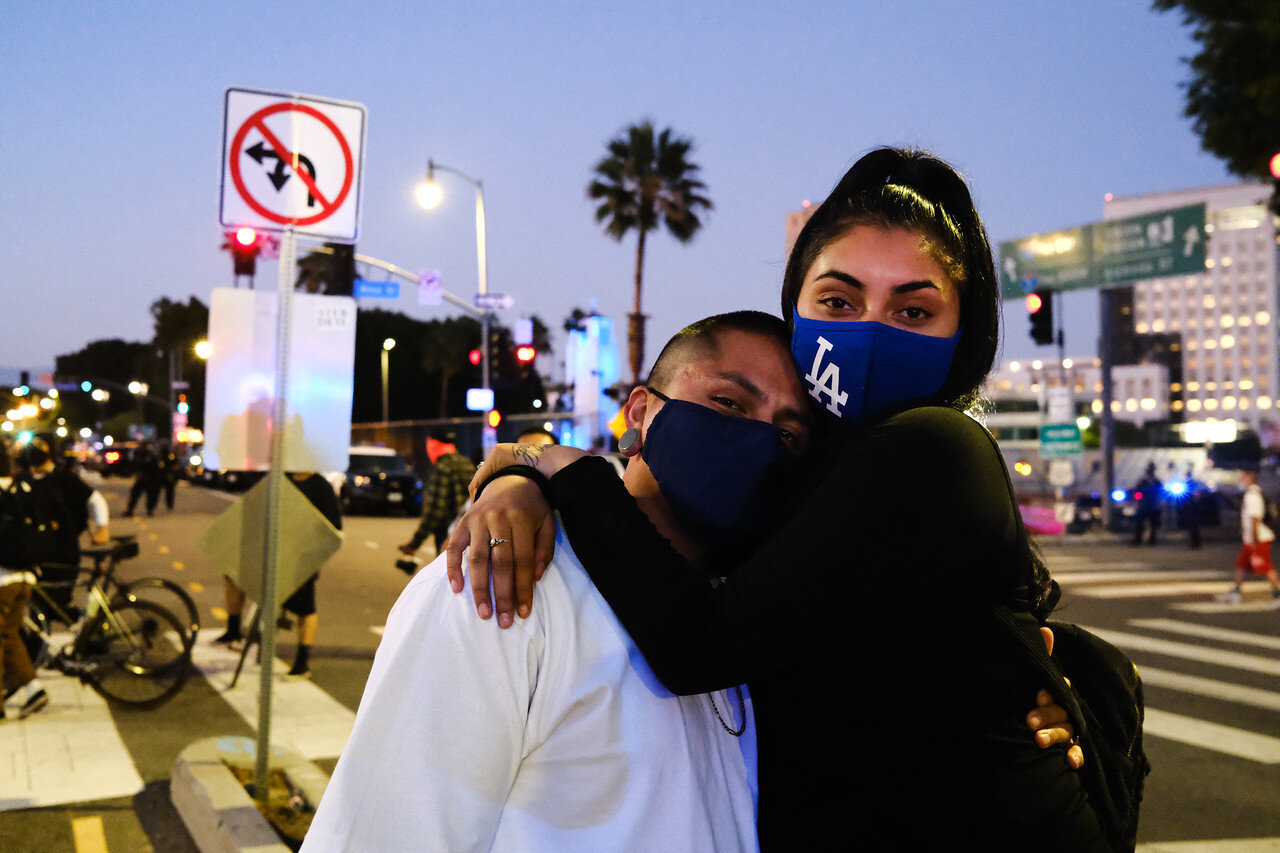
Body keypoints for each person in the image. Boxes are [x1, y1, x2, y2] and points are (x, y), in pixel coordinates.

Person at [450, 148, 1110, 848]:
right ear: (795, 305)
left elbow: (702, 643)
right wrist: (518, 473)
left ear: (962, 335)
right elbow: (677, 533)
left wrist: (556, 463)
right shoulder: (808, 460)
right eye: (839, 300)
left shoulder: (933, 449)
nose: (870, 332)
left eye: (913, 310)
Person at [306, 313, 1074, 850]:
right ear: (640, 410)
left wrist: (1029, 711)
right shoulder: (505, 580)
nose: (757, 435)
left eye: (789, 431)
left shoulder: (760, 626)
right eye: (728, 402)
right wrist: (524, 466)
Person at [213, 471, 342, 679]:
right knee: (233, 576)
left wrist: (311, 553)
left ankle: (302, 663)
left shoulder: (320, 486)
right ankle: (234, 631)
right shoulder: (281, 479)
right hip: (269, 553)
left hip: (300, 558)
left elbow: (333, 529)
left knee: (304, 609)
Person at [0, 438, 49, 721]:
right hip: (24, 576)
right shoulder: (18, 487)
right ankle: (34, 690)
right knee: (9, 634)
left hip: (3, 579)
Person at [397, 428, 475, 558]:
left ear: (433, 445)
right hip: (470, 529)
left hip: (448, 533)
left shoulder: (442, 468)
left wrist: (415, 543)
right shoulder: (467, 464)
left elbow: (435, 511)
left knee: (446, 572)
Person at [1217, 466, 1280, 604]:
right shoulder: (1252, 494)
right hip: (1251, 538)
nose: (1240, 480)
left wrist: (1253, 537)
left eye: (1242, 477)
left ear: (1248, 479)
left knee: (1265, 567)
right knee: (1240, 565)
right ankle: (1237, 590)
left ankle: (1278, 592)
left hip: (1257, 538)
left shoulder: (1252, 495)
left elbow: (1254, 517)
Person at [123, 440, 164, 518]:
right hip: (142, 478)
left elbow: (156, 467)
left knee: (151, 496)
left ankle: (149, 510)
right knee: (135, 494)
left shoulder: (151, 455)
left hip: (151, 479)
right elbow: (135, 465)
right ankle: (130, 510)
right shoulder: (139, 454)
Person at [1129, 462, 1163, 546]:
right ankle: (1138, 540)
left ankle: (1151, 541)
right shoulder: (1143, 481)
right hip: (1144, 505)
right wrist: (1138, 500)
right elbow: (1136, 491)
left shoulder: (1157, 482)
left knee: (1153, 524)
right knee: (1139, 523)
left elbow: (1161, 494)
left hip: (1152, 505)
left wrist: (1159, 504)